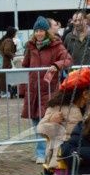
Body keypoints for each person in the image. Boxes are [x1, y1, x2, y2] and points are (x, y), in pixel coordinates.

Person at [31, 67, 90, 175]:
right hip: (61, 155)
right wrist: (52, 121)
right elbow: (41, 129)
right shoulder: (57, 107)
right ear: (85, 94)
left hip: (79, 154)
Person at [21, 16, 73, 165]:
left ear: (46, 31)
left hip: (48, 89)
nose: (39, 33)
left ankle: (44, 152)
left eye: (41, 30)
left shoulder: (56, 45)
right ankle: (40, 151)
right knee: (35, 122)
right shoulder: (30, 46)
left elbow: (68, 60)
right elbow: (25, 65)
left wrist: (57, 65)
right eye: (36, 30)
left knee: (46, 122)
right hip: (33, 90)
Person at [0, 28, 18, 98]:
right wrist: (13, 55)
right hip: (6, 62)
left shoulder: (3, 40)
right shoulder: (8, 40)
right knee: (6, 78)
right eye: (15, 33)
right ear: (12, 33)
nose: (16, 34)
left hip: (1, 62)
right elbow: (7, 51)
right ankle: (6, 92)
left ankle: (0, 93)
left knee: (1, 77)